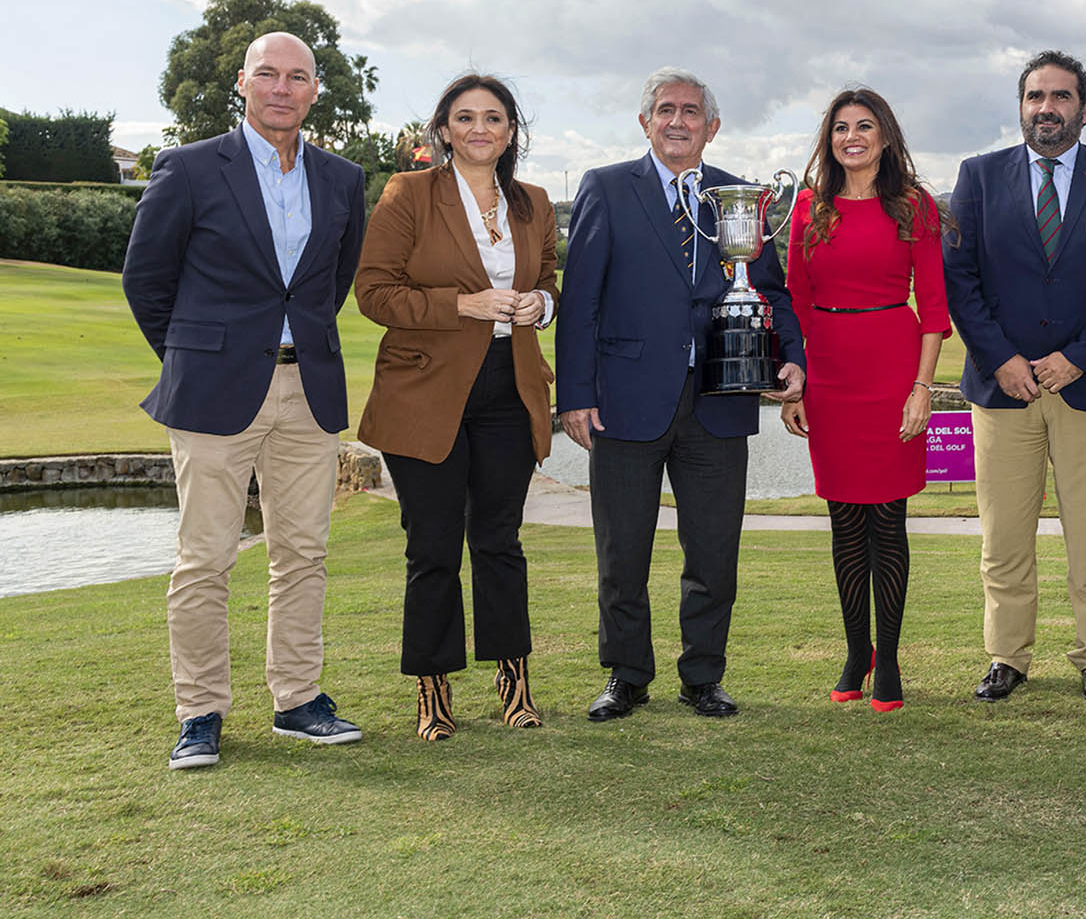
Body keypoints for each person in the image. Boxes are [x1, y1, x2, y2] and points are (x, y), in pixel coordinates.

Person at [122, 31, 367, 769]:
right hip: (212, 390)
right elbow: (146, 280)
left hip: (309, 387)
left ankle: (297, 700)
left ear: (314, 90)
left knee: (303, 554)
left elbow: (332, 281)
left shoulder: (342, 179)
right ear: (243, 82)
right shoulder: (190, 168)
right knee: (205, 559)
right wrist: (195, 357)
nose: (282, 88)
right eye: (268, 74)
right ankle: (199, 713)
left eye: (297, 77)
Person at [555, 67, 805, 721]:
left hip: (720, 402)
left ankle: (703, 677)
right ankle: (627, 676)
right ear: (645, 122)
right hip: (625, 400)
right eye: (664, 109)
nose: (677, 121)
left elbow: (771, 292)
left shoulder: (737, 196)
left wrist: (791, 360)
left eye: (690, 111)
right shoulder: (606, 189)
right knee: (622, 553)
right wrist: (574, 396)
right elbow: (579, 302)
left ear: (711, 126)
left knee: (714, 554)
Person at [941, 50, 1086, 703]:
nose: (1047, 108)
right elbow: (961, 278)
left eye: (1061, 97)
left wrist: (1078, 356)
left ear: (1084, 109)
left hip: (1085, 387)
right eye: (1035, 96)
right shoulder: (978, 177)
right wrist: (1000, 359)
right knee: (1004, 539)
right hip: (1003, 391)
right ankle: (1007, 656)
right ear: (1022, 107)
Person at [354, 73, 559, 741]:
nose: (480, 129)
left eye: (494, 118)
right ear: (444, 129)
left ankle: (514, 685)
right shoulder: (408, 194)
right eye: (465, 117)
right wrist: (460, 305)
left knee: (500, 541)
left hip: (510, 387)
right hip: (425, 390)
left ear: (509, 132)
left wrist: (540, 305)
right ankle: (433, 693)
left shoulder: (532, 202)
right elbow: (374, 292)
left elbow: (550, 278)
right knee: (434, 545)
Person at [778, 88, 950, 712]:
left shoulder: (914, 207)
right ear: (829, 140)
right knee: (845, 521)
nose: (853, 137)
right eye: (841, 128)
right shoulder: (806, 210)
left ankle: (891, 656)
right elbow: (793, 302)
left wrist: (921, 390)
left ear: (885, 136)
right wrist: (793, 384)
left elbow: (933, 310)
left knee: (887, 519)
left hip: (892, 367)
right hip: (826, 372)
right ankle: (857, 650)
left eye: (865, 126)